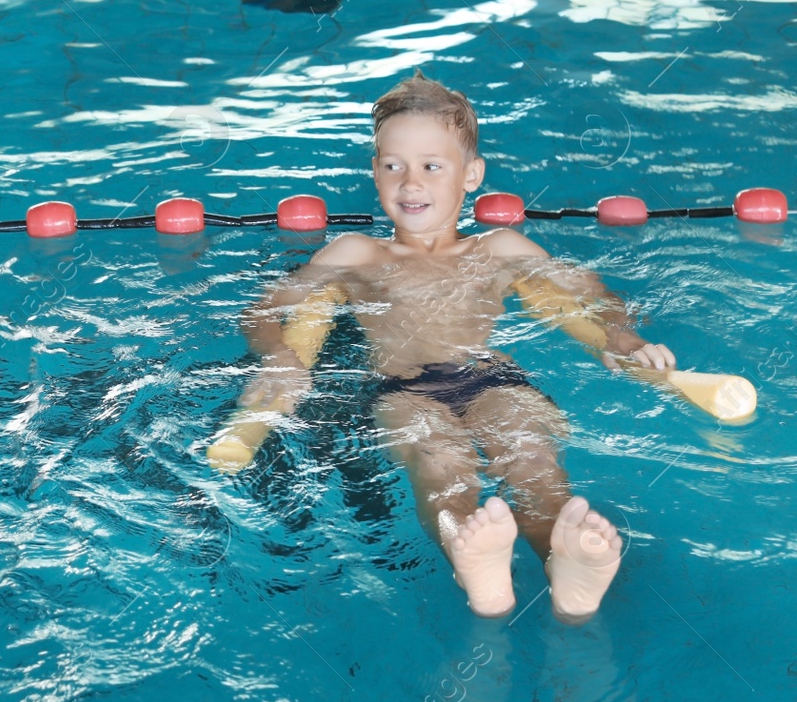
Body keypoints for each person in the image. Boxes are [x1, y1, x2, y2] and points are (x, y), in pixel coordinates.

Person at [228, 72, 674, 624]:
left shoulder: (500, 247)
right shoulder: (357, 253)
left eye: (431, 166)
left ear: (471, 175)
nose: (410, 182)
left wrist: (623, 335)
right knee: (439, 459)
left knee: (530, 454)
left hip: (492, 379)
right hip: (405, 388)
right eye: (393, 165)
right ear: (375, 172)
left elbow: (589, 291)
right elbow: (266, 307)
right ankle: (475, 562)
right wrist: (279, 355)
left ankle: (567, 564)